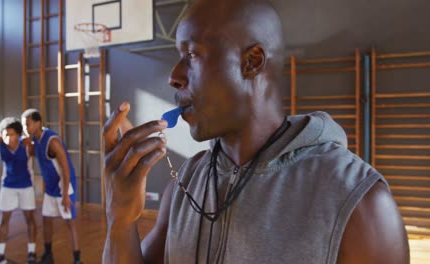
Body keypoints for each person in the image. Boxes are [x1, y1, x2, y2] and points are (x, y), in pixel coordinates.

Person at [102, 0, 410, 263]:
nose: (175, 76)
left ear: (252, 62)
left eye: (192, 55)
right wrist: (120, 219)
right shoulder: (185, 184)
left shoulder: (360, 204)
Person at [21, 109, 81, 264]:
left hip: (64, 186)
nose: (25, 128)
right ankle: (48, 254)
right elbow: (39, 154)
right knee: (46, 219)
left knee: (70, 222)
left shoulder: (52, 141)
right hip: (51, 187)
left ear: (37, 123)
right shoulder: (36, 139)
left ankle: (77, 260)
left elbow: (66, 168)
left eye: (27, 124)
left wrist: (66, 195)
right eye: (24, 125)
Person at [0, 117, 37, 264]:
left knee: (30, 218)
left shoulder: (27, 145)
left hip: (25, 186)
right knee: (4, 220)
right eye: (5, 134)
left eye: (11, 134)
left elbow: (40, 154)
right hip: (8, 186)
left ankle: (31, 252)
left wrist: (33, 143)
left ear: (18, 134)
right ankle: (0, 254)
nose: (8, 137)